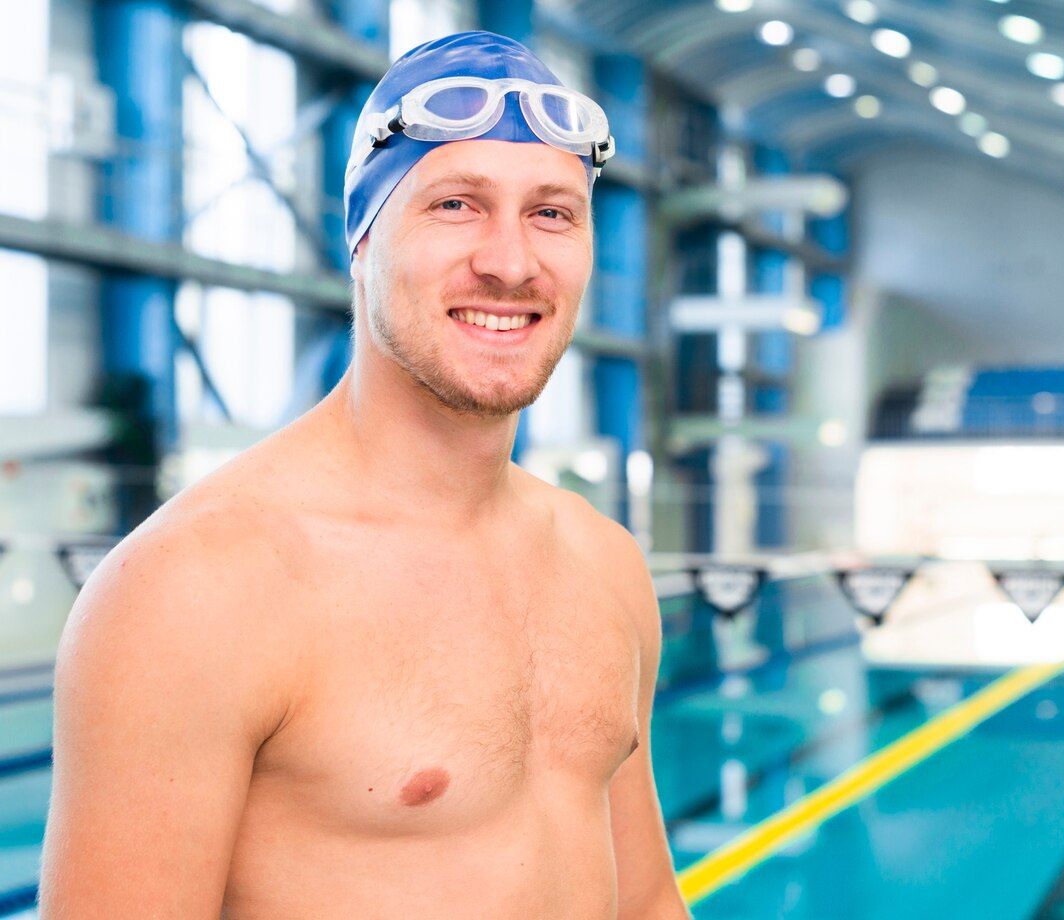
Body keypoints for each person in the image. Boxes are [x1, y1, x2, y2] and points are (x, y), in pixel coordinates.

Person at [40, 31, 689, 919]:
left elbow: (648, 903)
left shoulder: (604, 565)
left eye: (551, 213)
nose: (508, 262)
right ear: (361, 234)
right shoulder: (195, 588)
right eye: (455, 205)